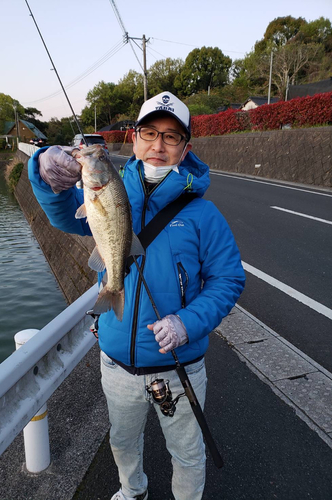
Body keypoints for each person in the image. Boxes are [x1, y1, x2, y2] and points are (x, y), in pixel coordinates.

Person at [28, 91, 245, 500]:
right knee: (123, 442)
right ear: (134, 138)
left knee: (187, 453)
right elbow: (61, 210)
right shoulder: (109, 188)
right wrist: (41, 171)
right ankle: (133, 492)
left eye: (172, 136)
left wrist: (187, 323)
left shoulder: (203, 215)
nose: (158, 145)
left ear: (186, 148)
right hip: (117, 363)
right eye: (149, 132)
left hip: (180, 364)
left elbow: (228, 281)